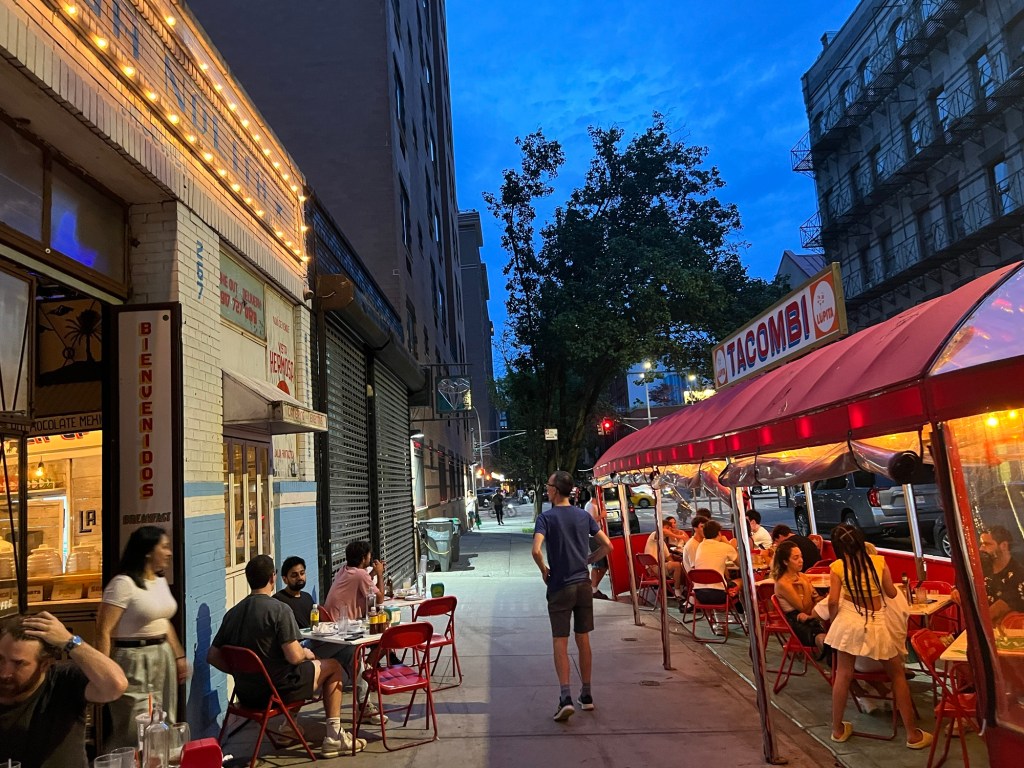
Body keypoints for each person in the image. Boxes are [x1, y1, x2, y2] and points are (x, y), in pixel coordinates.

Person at [208, 554, 363, 757]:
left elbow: (212, 656)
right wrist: (306, 653)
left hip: (246, 695)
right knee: (332, 666)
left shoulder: (233, 613)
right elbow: (294, 657)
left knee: (307, 668)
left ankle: (290, 727)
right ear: (273, 578)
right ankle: (334, 737)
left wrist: (241, 671)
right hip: (278, 691)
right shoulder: (280, 610)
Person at [824, 524, 931, 750]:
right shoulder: (878, 562)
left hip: (848, 621)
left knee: (843, 674)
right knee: (897, 675)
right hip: (876, 622)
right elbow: (891, 593)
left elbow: (833, 601)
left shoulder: (837, 567)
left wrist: (834, 621)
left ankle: (837, 730)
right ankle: (912, 735)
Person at [95, 525, 188, 750]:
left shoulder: (159, 581)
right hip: (133, 659)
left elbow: (163, 621)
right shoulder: (123, 584)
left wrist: (179, 656)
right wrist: (102, 673)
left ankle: (160, 761)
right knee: (134, 725)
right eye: (163, 547)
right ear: (147, 551)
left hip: (162, 656)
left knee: (165, 719)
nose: (169, 552)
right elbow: (103, 630)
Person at [532, 470, 612, 722]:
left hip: (560, 586)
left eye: (549, 485)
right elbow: (607, 545)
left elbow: (536, 550)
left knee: (560, 640)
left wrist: (544, 570)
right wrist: (587, 560)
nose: (547, 489)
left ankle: (565, 697)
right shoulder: (583, 516)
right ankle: (586, 695)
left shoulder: (545, 518)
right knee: (583, 638)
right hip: (583, 585)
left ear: (555, 490)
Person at [1, 612, 127, 768]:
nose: (4, 673)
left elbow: (115, 685)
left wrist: (71, 642)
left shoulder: (64, 680)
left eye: (18, 663)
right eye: (0, 659)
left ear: (45, 665)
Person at [274, 556, 385, 725]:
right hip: (298, 652)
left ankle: (364, 705)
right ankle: (362, 705)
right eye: (294, 575)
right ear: (284, 579)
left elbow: (317, 626)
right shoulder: (279, 602)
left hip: (316, 644)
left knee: (352, 650)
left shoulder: (306, 598)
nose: (299, 578)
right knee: (350, 649)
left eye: (302, 573)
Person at [772, 541, 827, 658]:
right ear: (785, 561)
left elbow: (817, 599)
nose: (801, 560)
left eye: (801, 556)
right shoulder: (783, 583)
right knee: (824, 639)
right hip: (796, 621)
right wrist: (805, 586)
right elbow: (804, 609)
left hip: (810, 616)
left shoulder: (801, 576)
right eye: (796, 558)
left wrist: (816, 602)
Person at [324, 541, 385, 622]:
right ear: (363, 558)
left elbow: (361, 581)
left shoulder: (344, 569)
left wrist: (373, 573)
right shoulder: (360, 574)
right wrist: (380, 574)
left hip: (331, 619)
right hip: (340, 623)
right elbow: (380, 599)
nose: (370, 558)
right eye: (369, 555)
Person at [980, 526, 1024, 623]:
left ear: (1004, 545)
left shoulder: (1018, 574)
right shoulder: (984, 567)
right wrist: (956, 589)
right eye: (981, 544)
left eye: (987, 544)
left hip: (1005, 629)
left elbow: (993, 612)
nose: (981, 548)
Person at [691, 520, 740, 602]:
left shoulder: (700, 546)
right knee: (741, 581)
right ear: (719, 533)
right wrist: (727, 542)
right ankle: (742, 608)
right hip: (720, 595)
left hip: (699, 595)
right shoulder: (724, 546)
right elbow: (741, 564)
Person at [644, 517, 686, 601]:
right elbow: (662, 531)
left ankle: (682, 590)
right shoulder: (653, 535)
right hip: (653, 568)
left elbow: (668, 557)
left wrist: (674, 564)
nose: (669, 530)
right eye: (667, 528)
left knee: (681, 567)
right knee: (677, 565)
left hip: (660, 567)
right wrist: (678, 536)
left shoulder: (662, 543)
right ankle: (677, 592)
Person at [583, 487, 610, 599]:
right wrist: (601, 516)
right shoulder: (590, 506)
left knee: (603, 566)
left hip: (599, 536)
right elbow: (590, 522)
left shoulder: (596, 505)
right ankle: (593, 589)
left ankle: (593, 587)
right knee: (598, 565)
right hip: (594, 538)